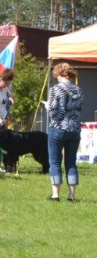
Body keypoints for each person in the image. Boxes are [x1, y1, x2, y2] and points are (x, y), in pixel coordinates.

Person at [46, 63, 83, 202]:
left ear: (60, 74)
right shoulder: (79, 90)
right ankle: (72, 196)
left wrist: (47, 106)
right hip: (74, 128)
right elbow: (78, 108)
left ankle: (55, 195)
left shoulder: (56, 89)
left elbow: (53, 108)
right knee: (71, 162)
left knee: (55, 162)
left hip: (58, 127)